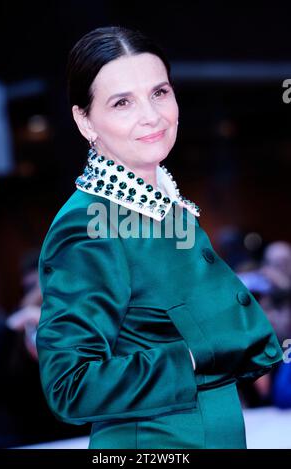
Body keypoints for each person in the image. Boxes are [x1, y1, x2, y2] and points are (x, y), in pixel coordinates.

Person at [36, 26, 283, 449]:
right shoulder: (88, 224)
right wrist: (193, 356)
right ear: (84, 120)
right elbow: (70, 385)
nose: (151, 115)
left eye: (160, 92)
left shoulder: (161, 203)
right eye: (122, 102)